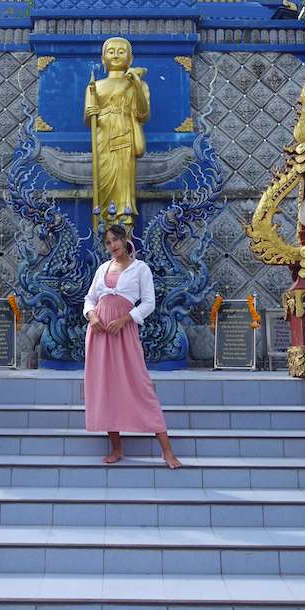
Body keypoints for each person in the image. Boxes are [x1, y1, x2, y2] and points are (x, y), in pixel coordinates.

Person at [83, 224, 182, 468]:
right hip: (99, 335)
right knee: (106, 389)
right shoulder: (102, 269)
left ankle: (167, 451)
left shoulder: (141, 269)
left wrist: (127, 319)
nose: (113, 245)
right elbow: (89, 299)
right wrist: (93, 317)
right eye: (108, 242)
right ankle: (116, 448)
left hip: (124, 333)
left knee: (141, 386)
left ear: (125, 239)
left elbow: (149, 303)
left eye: (116, 240)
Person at [84, 37, 150, 231]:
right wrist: (90, 113)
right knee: (103, 181)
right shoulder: (95, 86)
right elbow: (89, 120)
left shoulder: (138, 85)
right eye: (111, 51)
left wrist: (136, 83)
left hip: (124, 136)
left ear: (129, 57)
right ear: (103, 57)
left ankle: (124, 221)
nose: (115, 55)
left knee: (123, 182)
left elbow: (143, 113)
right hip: (103, 137)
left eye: (121, 51)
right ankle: (103, 223)